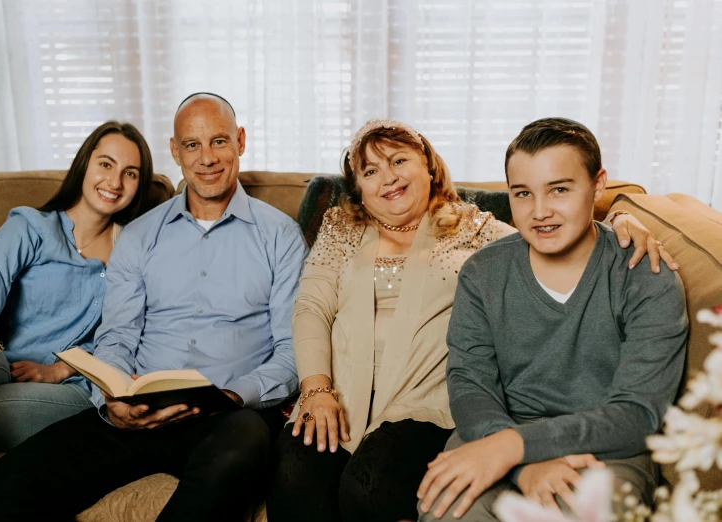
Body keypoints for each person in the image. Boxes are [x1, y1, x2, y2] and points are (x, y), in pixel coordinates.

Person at [267, 118, 676, 522]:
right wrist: (317, 388)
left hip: (420, 402)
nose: (387, 178)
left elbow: (556, 236)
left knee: (370, 487)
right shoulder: (343, 229)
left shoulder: (474, 231)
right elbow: (312, 308)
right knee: (295, 477)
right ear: (357, 187)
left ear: (428, 163)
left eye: (398, 161)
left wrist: (624, 223)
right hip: (342, 393)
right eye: (370, 171)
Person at [0, 93, 308, 522]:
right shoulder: (141, 235)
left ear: (240, 141)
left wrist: (233, 395)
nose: (206, 158)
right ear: (175, 151)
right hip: (138, 411)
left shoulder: (280, 235)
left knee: (244, 444)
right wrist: (112, 397)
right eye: (192, 145)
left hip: (227, 417)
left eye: (219, 141)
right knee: (2, 488)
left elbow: (290, 351)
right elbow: (117, 336)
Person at [416, 118, 688, 521]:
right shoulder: (482, 272)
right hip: (492, 434)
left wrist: (514, 448)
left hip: (603, 450)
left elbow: (637, 414)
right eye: (523, 193)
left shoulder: (646, 276)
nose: (540, 212)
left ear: (597, 186)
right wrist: (520, 461)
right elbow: (470, 384)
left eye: (559, 189)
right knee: (447, 509)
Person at [0, 120, 153, 522]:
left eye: (130, 173)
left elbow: (126, 338)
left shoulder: (136, 253)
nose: (115, 181)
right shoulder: (31, 228)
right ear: (84, 165)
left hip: (73, 390)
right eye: (105, 164)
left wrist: (58, 369)